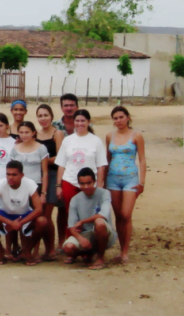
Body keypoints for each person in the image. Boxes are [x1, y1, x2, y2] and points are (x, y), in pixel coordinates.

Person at [0, 161, 48, 265]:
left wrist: (20, 223)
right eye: (8, 174)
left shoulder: (30, 183)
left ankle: (27, 251)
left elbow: (39, 209)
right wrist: (10, 222)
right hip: (5, 214)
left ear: (22, 175)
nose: (10, 177)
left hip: (24, 215)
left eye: (14, 174)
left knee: (43, 221)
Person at [105, 106, 146, 264]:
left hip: (130, 178)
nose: (118, 121)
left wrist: (142, 182)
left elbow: (142, 159)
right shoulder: (110, 136)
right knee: (117, 215)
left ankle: (126, 251)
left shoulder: (136, 136)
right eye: (115, 118)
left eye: (121, 117)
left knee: (126, 214)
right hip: (113, 179)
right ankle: (121, 251)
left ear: (128, 117)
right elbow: (107, 159)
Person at [11, 121, 53, 262]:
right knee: (23, 219)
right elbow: (12, 172)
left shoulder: (41, 148)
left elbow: (45, 172)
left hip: (37, 187)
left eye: (27, 132)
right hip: (20, 189)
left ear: (34, 132)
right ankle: (24, 250)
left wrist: (44, 193)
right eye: (21, 132)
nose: (24, 135)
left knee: (38, 220)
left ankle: (35, 251)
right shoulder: (15, 148)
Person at [62, 168, 117, 270]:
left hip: (104, 231)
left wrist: (83, 221)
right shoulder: (75, 199)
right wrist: (80, 238)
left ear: (94, 182)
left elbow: (103, 215)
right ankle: (88, 253)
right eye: (82, 184)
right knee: (68, 247)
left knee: (99, 222)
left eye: (89, 183)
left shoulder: (104, 193)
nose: (86, 187)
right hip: (85, 234)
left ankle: (100, 257)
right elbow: (71, 226)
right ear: (78, 184)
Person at [55, 109, 108, 212]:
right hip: (69, 182)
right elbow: (61, 165)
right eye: (77, 121)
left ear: (88, 122)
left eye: (83, 121)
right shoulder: (67, 140)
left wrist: (99, 187)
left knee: (89, 213)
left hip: (89, 184)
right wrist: (58, 186)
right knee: (70, 214)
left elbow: (101, 167)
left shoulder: (96, 141)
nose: (80, 123)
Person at [36, 104, 65, 251]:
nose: (43, 118)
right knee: (38, 214)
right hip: (38, 176)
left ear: (52, 116)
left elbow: (60, 157)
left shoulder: (57, 133)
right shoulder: (35, 134)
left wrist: (42, 160)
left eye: (45, 115)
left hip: (53, 175)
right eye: (40, 116)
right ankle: (41, 248)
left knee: (47, 215)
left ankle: (50, 249)